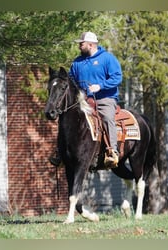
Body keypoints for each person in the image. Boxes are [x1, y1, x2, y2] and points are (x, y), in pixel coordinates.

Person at [49, 31, 122, 168]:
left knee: (106, 117)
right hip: (84, 100)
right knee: (66, 117)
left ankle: (112, 151)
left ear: (90, 44)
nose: (79, 46)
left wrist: (100, 86)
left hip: (104, 99)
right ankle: (60, 151)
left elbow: (117, 78)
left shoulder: (107, 58)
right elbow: (71, 80)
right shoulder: (77, 62)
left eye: (81, 44)